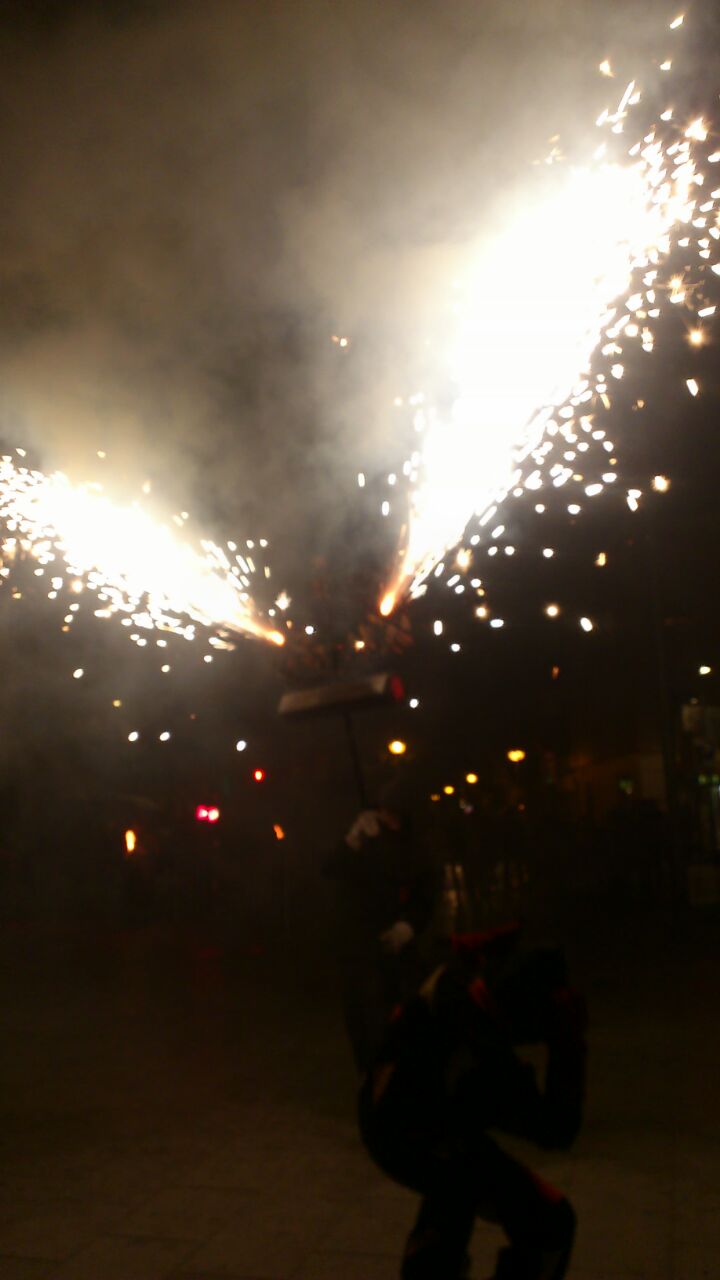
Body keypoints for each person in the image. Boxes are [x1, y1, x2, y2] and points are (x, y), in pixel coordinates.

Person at [358, 923, 587, 1279]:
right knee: (551, 1224)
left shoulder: (456, 981)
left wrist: (468, 949)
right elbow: (557, 1128)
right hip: (415, 1135)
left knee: (456, 1186)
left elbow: (412, 954)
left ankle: (432, 1258)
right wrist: (567, 1044)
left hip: (392, 1115)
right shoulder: (486, 1058)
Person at [322, 783, 440, 1073]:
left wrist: (408, 926)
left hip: (400, 950)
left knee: (403, 1020)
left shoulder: (417, 847)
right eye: (384, 813)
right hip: (360, 946)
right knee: (364, 1021)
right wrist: (352, 841)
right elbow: (331, 869)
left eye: (393, 815)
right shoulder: (367, 838)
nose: (386, 820)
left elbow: (425, 893)